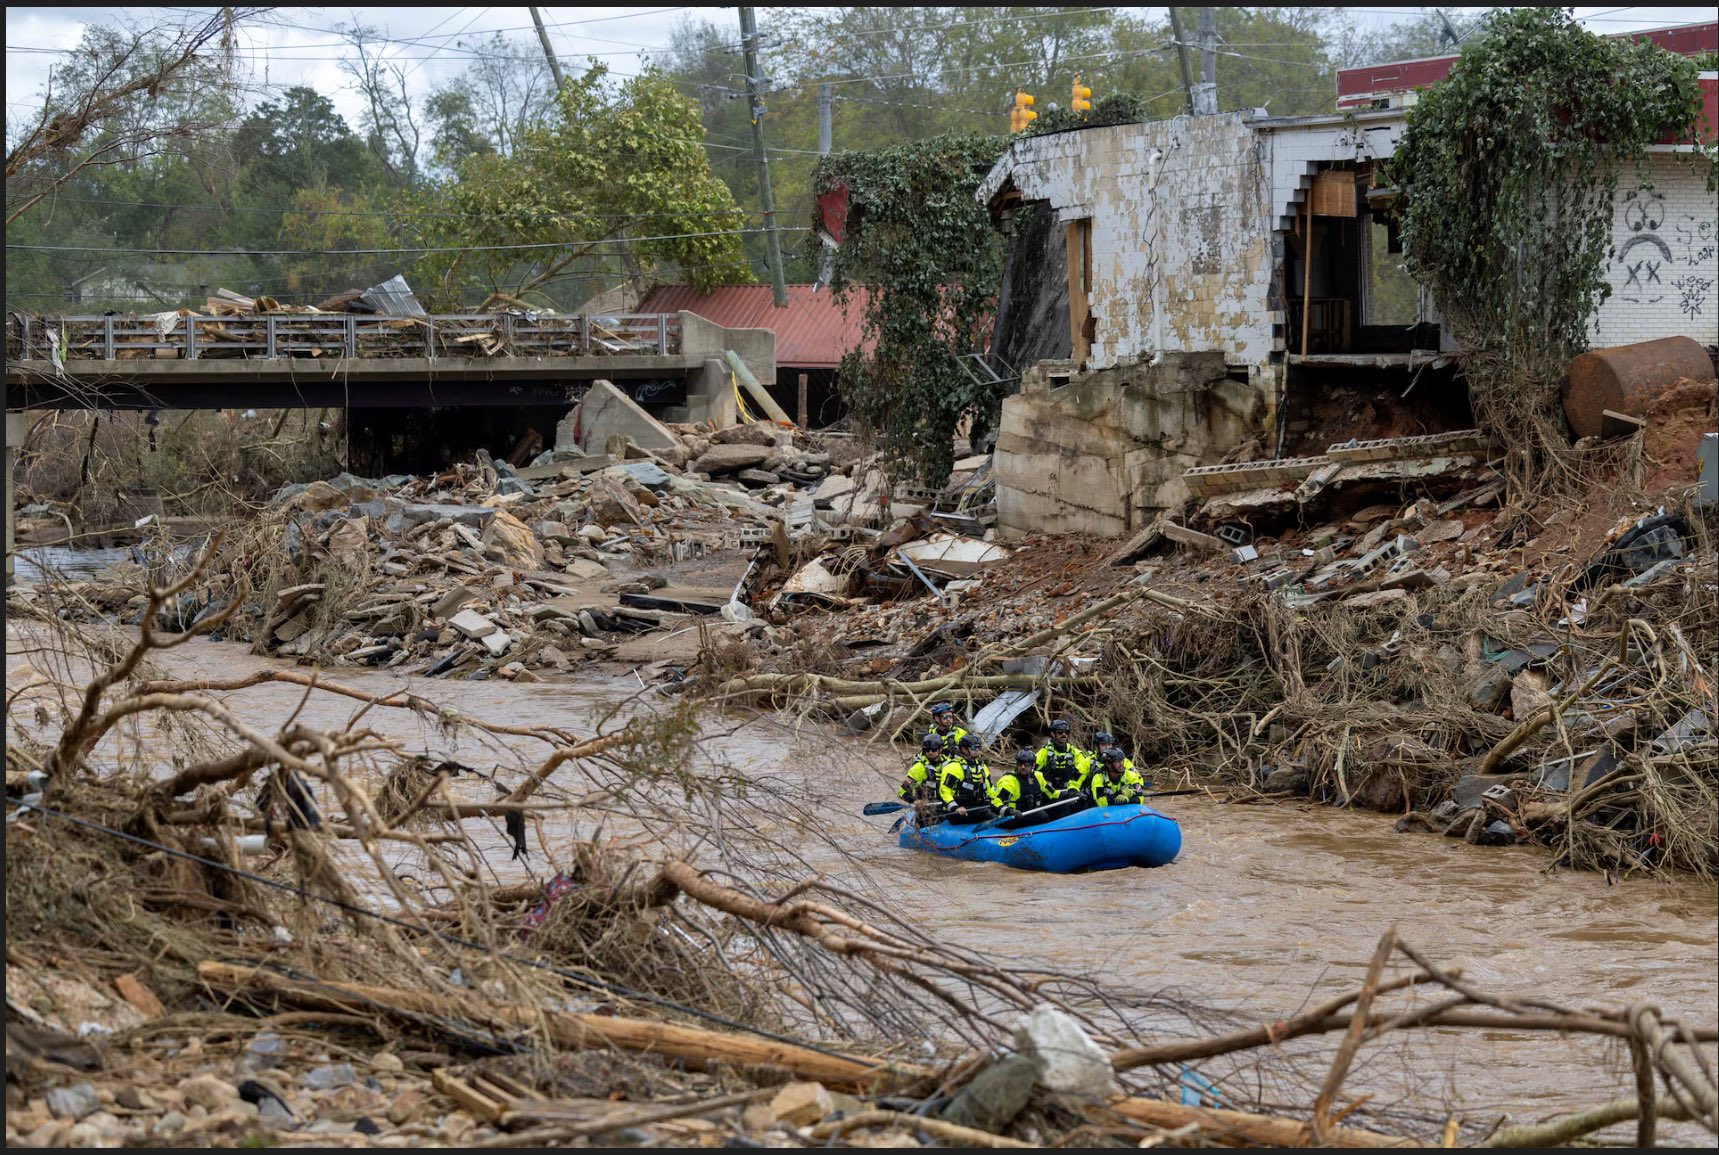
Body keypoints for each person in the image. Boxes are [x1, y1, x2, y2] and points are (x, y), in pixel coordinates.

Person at [937, 732, 992, 823]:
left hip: (977, 806)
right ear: (964, 749)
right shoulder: (954, 767)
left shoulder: (982, 767)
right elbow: (944, 792)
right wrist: (955, 807)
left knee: (990, 810)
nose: (977, 750)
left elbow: (990, 789)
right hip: (959, 811)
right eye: (974, 748)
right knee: (984, 813)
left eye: (979, 747)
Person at [1035, 718, 1092, 795]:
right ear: (1053, 734)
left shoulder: (1075, 753)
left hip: (1070, 793)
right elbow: (1033, 772)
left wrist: (1074, 789)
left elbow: (1083, 772)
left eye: (1066, 732)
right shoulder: (1044, 752)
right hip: (1048, 793)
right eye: (1060, 732)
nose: (1064, 735)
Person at [898, 733, 944, 803]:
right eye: (927, 750)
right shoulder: (918, 768)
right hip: (927, 806)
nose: (930, 752)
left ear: (940, 749)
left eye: (933, 749)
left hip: (947, 805)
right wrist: (915, 801)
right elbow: (902, 791)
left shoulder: (951, 764)